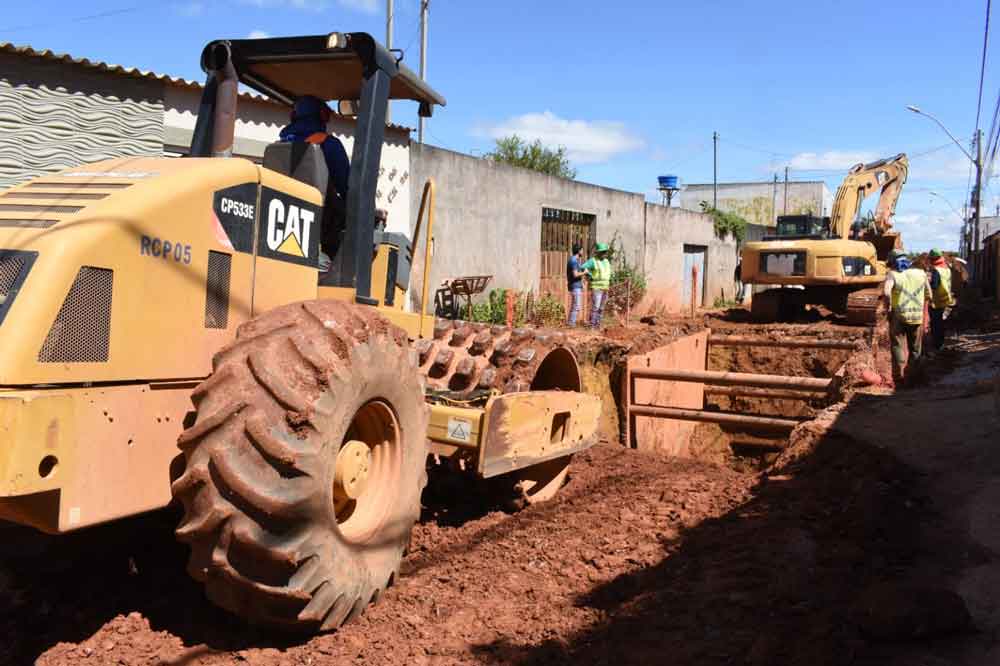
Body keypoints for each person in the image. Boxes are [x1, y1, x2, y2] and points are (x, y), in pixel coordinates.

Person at [279, 95, 351, 269]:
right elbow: (348, 189)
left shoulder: (279, 147)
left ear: (293, 117)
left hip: (281, 230)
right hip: (317, 236)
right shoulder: (329, 145)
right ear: (322, 116)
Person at [884, 250, 932, 386]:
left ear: (892, 262)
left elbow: (887, 293)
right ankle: (914, 377)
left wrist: (889, 307)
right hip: (916, 317)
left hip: (898, 316)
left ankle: (899, 378)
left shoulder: (892, 274)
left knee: (897, 346)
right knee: (915, 349)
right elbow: (929, 295)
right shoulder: (921, 274)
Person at [926, 248, 955, 352]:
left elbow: (934, 286)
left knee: (936, 325)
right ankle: (941, 344)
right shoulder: (946, 269)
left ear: (933, 259)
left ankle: (937, 346)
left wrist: (927, 282)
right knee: (942, 324)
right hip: (946, 300)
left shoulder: (936, 271)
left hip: (937, 302)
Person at [581, 243, 611, 328]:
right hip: (597, 287)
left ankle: (598, 325)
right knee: (596, 307)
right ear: (598, 252)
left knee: (601, 308)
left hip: (605, 287)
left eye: (605, 252)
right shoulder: (593, 261)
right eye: (602, 252)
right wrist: (590, 275)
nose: (604, 254)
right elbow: (583, 267)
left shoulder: (607, 261)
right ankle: (592, 325)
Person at [566, 243, 588, 326]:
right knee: (576, 306)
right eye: (582, 250)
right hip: (574, 286)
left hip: (576, 285)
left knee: (574, 305)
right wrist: (584, 272)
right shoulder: (574, 261)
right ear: (579, 251)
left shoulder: (575, 261)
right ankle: (571, 323)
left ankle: (570, 323)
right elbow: (575, 274)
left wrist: (582, 282)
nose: (582, 251)